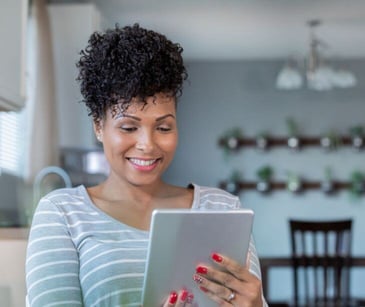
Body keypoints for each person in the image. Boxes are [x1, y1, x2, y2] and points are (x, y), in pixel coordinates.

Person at [26, 23, 268, 306]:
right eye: (129, 127)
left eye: (163, 128)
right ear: (98, 126)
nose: (148, 145)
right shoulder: (63, 214)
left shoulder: (223, 208)